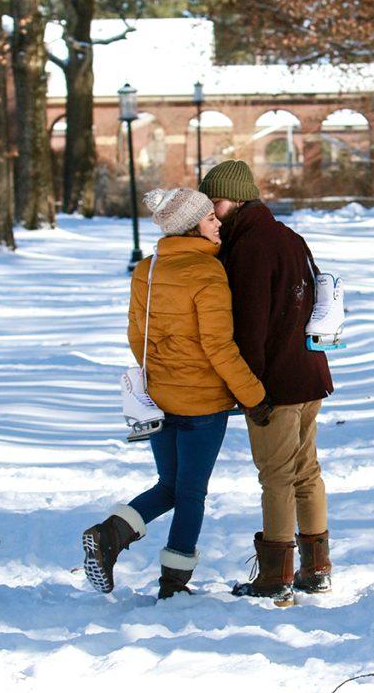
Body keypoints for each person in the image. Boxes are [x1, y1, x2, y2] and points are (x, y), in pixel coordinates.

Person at [82, 187, 271, 600]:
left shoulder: (146, 270)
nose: (217, 223)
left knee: (169, 485)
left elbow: (136, 336)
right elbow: (219, 347)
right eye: (209, 219)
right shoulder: (208, 273)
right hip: (202, 403)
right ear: (191, 227)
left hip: (159, 398)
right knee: (190, 494)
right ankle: (173, 583)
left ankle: (110, 534)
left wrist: (164, 370)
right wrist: (254, 396)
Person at [199, 160, 334, 606]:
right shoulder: (288, 237)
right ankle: (316, 570)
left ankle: (275, 577)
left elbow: (250, 327)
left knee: (276, 476)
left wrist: (248, 391)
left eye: (214, 202)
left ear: (236, 200)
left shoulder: (251, 247)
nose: (211, 212)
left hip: (274, 383)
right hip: (309, 373)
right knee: (306, 472)